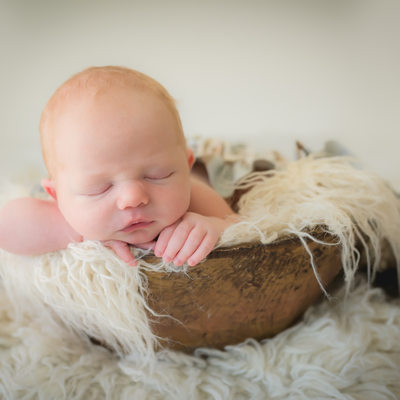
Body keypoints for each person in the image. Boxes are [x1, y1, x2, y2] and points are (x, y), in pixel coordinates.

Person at [0, 66, 236, 267]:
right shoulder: (66, 207)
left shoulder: (193, 195)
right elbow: (6, 226)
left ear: (185, 166)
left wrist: (215, 227)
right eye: (99, 188)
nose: (133, 198)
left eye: (157, 175)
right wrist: (79, 232)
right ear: (57, 194)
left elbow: (242, 226)